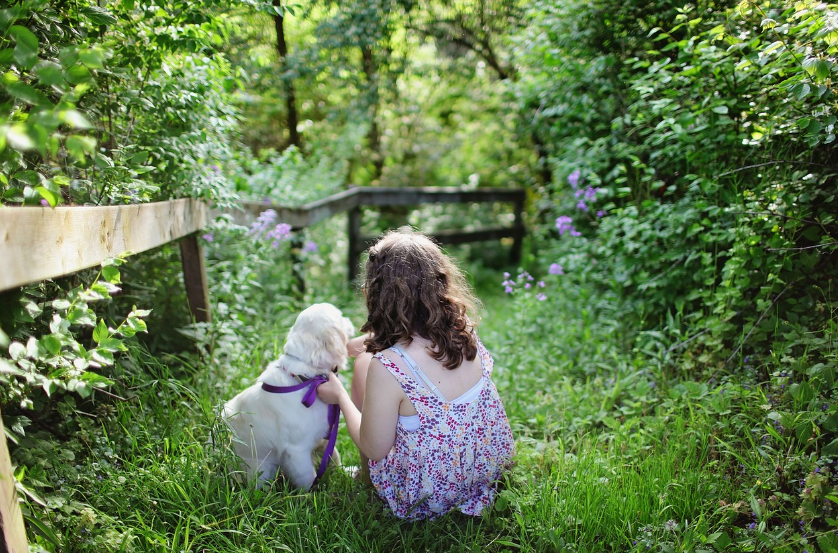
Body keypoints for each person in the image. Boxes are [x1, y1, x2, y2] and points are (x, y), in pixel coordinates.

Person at [316, 228, 514, 520]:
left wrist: (341, 397)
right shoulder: (464, 330)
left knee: (362, 364)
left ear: (373, 294)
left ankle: (367, 479)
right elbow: (404, 345)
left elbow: (375, 448)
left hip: (428, 493)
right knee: (365, 357)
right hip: (485, 469)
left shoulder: (387, 366)